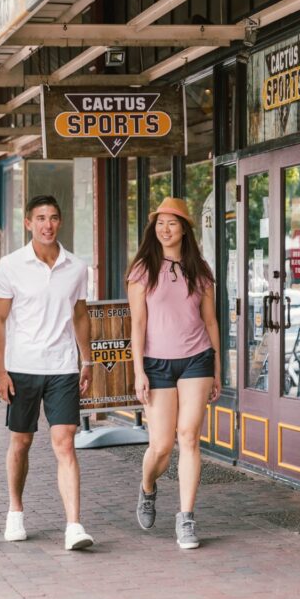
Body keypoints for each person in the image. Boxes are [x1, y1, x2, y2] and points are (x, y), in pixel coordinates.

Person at [0, 195, 95, 551]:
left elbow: (80, 315)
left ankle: (74, 526)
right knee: (21, 441)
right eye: (40, 218)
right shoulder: (10, 265)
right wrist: (0, 369)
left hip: (63, 367)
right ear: (28, 223)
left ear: (60, 222)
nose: (47, 224)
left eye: (53, 217)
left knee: (65, 442)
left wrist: (88, 360)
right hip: (22, 368)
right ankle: (15, 512)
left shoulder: (77, 267)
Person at [127, 197, 220, 550]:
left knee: (189, 437)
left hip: (196, 359)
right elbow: (137, 324)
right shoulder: (142, 270)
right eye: (160, 223)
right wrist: (138, 371)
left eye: (173, 223)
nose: (165, 229)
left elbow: (210, 321)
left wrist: (217, 367)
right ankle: (148, 487)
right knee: (162, 445)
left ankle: (186, 519)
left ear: (185, 229)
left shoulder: (200, 270)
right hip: (156, 363)